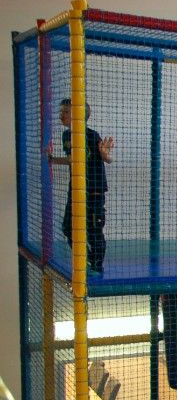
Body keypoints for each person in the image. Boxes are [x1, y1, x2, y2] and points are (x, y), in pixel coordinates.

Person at [48, 99, 114, 275]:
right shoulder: (66, 136)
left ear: (78, 116)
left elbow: (105, 159)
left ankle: (97, 266)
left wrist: (105, 155)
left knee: (94, 230)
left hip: (94, 189)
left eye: (66, 112)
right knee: (68, 227)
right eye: (61, 112)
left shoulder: (91, 135)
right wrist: (53, 160)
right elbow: (72, 159)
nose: (61, 115)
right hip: (76, 189)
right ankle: (84, 257)